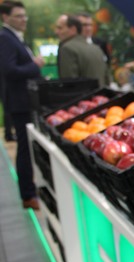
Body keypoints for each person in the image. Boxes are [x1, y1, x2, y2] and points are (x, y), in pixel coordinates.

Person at [0, 1, 44, 209]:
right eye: (18, 16)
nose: (23, 19)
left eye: (24, 16)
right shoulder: (5, 38)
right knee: (25, 149)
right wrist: (34, 66)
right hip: (21, 103)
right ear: (5, 17)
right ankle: (28, 194)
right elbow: (9, 70)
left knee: (29, 148)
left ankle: (31, 189)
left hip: (27, 102)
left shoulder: (14, 37)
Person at [54, 14, 109, 87]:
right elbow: (107, 79)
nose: (56, 32)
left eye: (60, 28)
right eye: (84, 25)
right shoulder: (96, 48)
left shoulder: (67, 48)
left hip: (83, 93)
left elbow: (70, 84)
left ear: (73, 29)